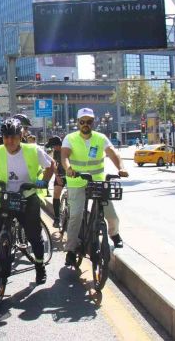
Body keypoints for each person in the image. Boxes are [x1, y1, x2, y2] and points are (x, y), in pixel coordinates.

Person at [0, 118, 54, 284]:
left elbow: (51, 165)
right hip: (4, 195)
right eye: (6, 137)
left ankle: (40, 266)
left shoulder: (33, 150)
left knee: (34, 235)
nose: (9, 141)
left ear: (21, 136)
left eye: (13, 137)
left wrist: (44, 181)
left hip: (27, 197)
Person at [61, 108, 129, 267]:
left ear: (94, 122)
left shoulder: (100, 138)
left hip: (97, 182)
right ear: (78, 123)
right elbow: (64, 156)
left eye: (89, 121)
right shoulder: (70, 138)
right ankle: (71, 250)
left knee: (110, 213)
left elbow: (114, 154)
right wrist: (68, 169)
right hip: (76, 182)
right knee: (76, 216)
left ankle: (114, 234)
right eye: (82, 122)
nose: (86, 124)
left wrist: (121, 168)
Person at [46, 136, 66, 228]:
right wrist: (57, 176)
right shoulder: (55, 152)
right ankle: (57, 218)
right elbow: (53, 164)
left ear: (57, 145)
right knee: (56, 193)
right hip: (61, 174)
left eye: (53, 146)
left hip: (72, 174)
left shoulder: (66, 149)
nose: (52, 148)